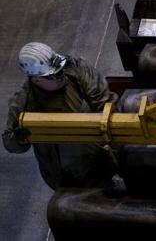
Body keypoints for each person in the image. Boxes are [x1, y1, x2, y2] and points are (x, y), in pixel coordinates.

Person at [2, 42, 118, 190]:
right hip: (66, 176)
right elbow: (10, 143)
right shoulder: (24, 102)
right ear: (36, 80)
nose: (60, 76)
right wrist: (19, 138)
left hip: (100, 161)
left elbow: (106, 103)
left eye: (60, 69)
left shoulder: (76, 70)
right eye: (54, 75)